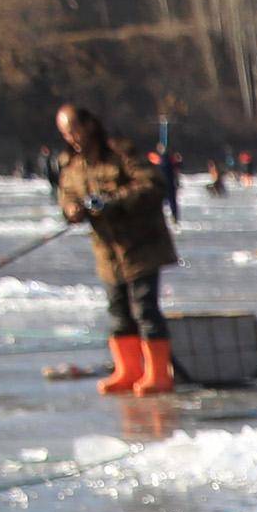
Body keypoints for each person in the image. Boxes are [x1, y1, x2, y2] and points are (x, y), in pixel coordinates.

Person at [55, 104, 179, 396]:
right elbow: (67, 195)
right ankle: (128, 371)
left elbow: (152, 185)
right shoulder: (72, 165)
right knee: (118, 313)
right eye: (65, 133)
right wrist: (72, 210)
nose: (71, 138)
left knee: (145, 309)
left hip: (141, 246)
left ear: (88, 125)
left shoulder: (121, 154)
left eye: (74, 130)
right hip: (108, 252)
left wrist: (113, 200)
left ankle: (158, 374)